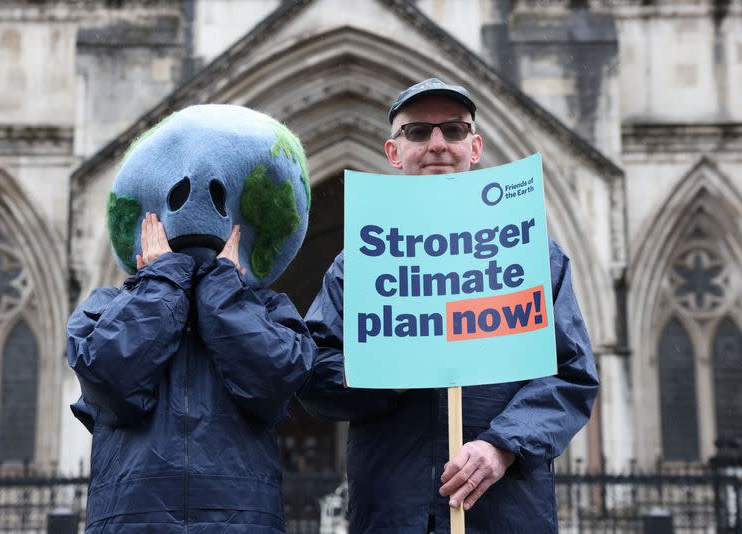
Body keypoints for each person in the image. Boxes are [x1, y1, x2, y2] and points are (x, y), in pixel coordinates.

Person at [298, 78, 599, 533]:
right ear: (394, 152)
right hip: (392, 514)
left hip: (505, 514)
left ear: (474, 147)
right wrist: (391, 375)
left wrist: (502, 446)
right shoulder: (357, 265)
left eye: (454, 130)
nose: (438, 144)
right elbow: (312, 372)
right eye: (418, 132)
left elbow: (571, 375)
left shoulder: (532, 253)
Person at [67, 105, 315, 533]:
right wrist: (163, 280)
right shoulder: (103, 307)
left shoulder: (273, 312)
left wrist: (221, 287)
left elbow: (272, 381)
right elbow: (111, 383)